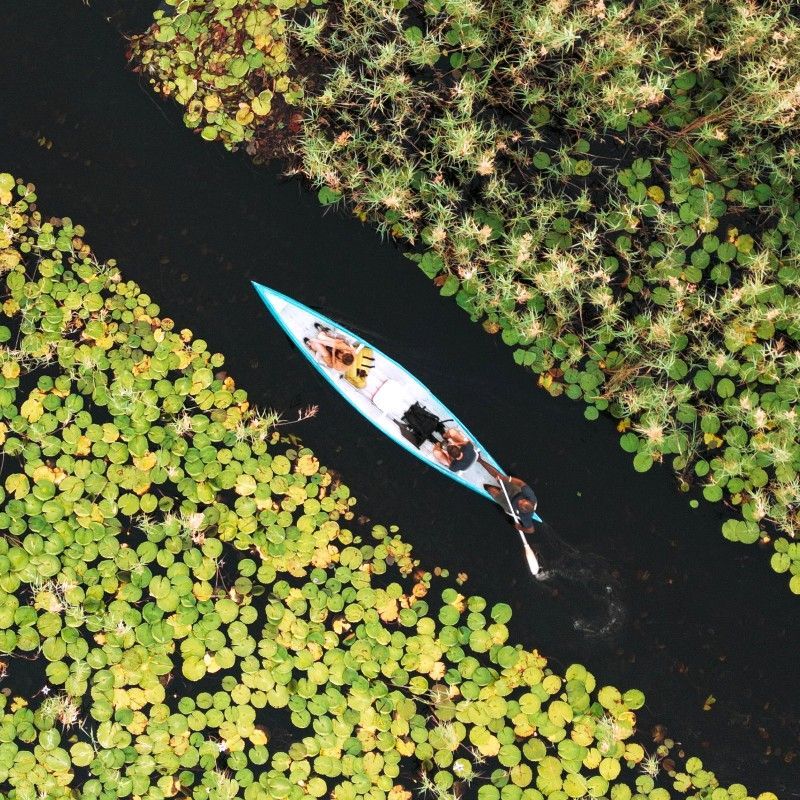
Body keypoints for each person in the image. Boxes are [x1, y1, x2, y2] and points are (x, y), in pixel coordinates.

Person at [479, 458, 538, 533]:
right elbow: (521, 483)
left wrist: (520, 528)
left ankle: (496, 490)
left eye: (520, 504)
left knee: (490, 489)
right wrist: (507, 479)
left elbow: (531, 530)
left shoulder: (525, 517)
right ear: (528, 500)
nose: (520, 500)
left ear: (521, 510)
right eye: (523, 500)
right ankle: (480, 460)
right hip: (515, 492)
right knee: (498, 476)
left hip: (509, 504)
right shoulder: (530, 495)